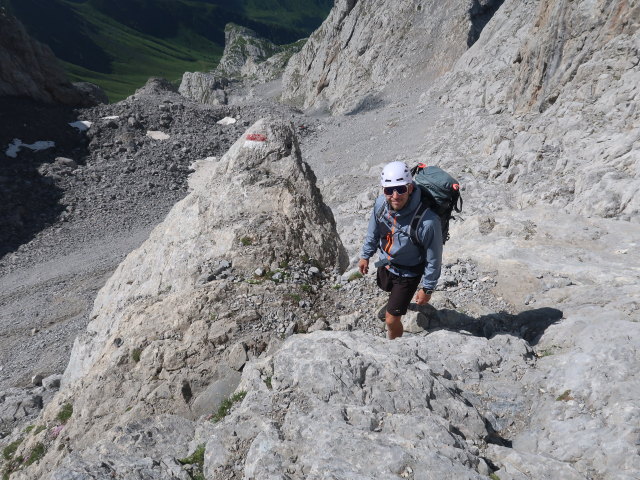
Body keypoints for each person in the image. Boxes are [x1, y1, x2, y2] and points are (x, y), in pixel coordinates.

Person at [358, 161, 443, 339]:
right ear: (383, 190)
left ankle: (395, 346)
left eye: (401, 189)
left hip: (408, 273)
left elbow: (434, 258)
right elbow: (373, 231)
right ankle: (397, 301)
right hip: (387, 264)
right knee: (385, 286)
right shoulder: (381, 204)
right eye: (389, 190)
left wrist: (427, 289)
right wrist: (365, 255)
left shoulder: (428, 222)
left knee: (390, 319)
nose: (395, 196)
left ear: (410, 188)